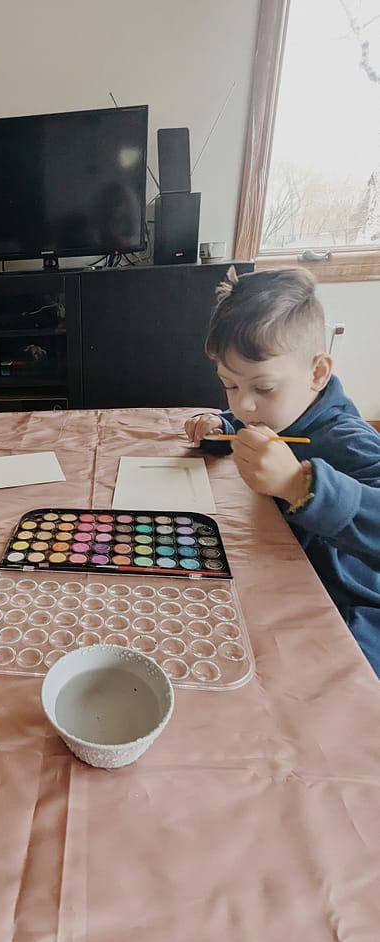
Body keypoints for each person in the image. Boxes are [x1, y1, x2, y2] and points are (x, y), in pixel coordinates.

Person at [185, 266, 380, 676]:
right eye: (230, 385)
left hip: (350, 608)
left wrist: (299, 486)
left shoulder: (348, 438)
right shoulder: (280, 412)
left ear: (317, 373)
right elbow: (248, 421)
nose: (246, 405)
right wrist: (221, 424)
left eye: (264, 388)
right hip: (279, 576)